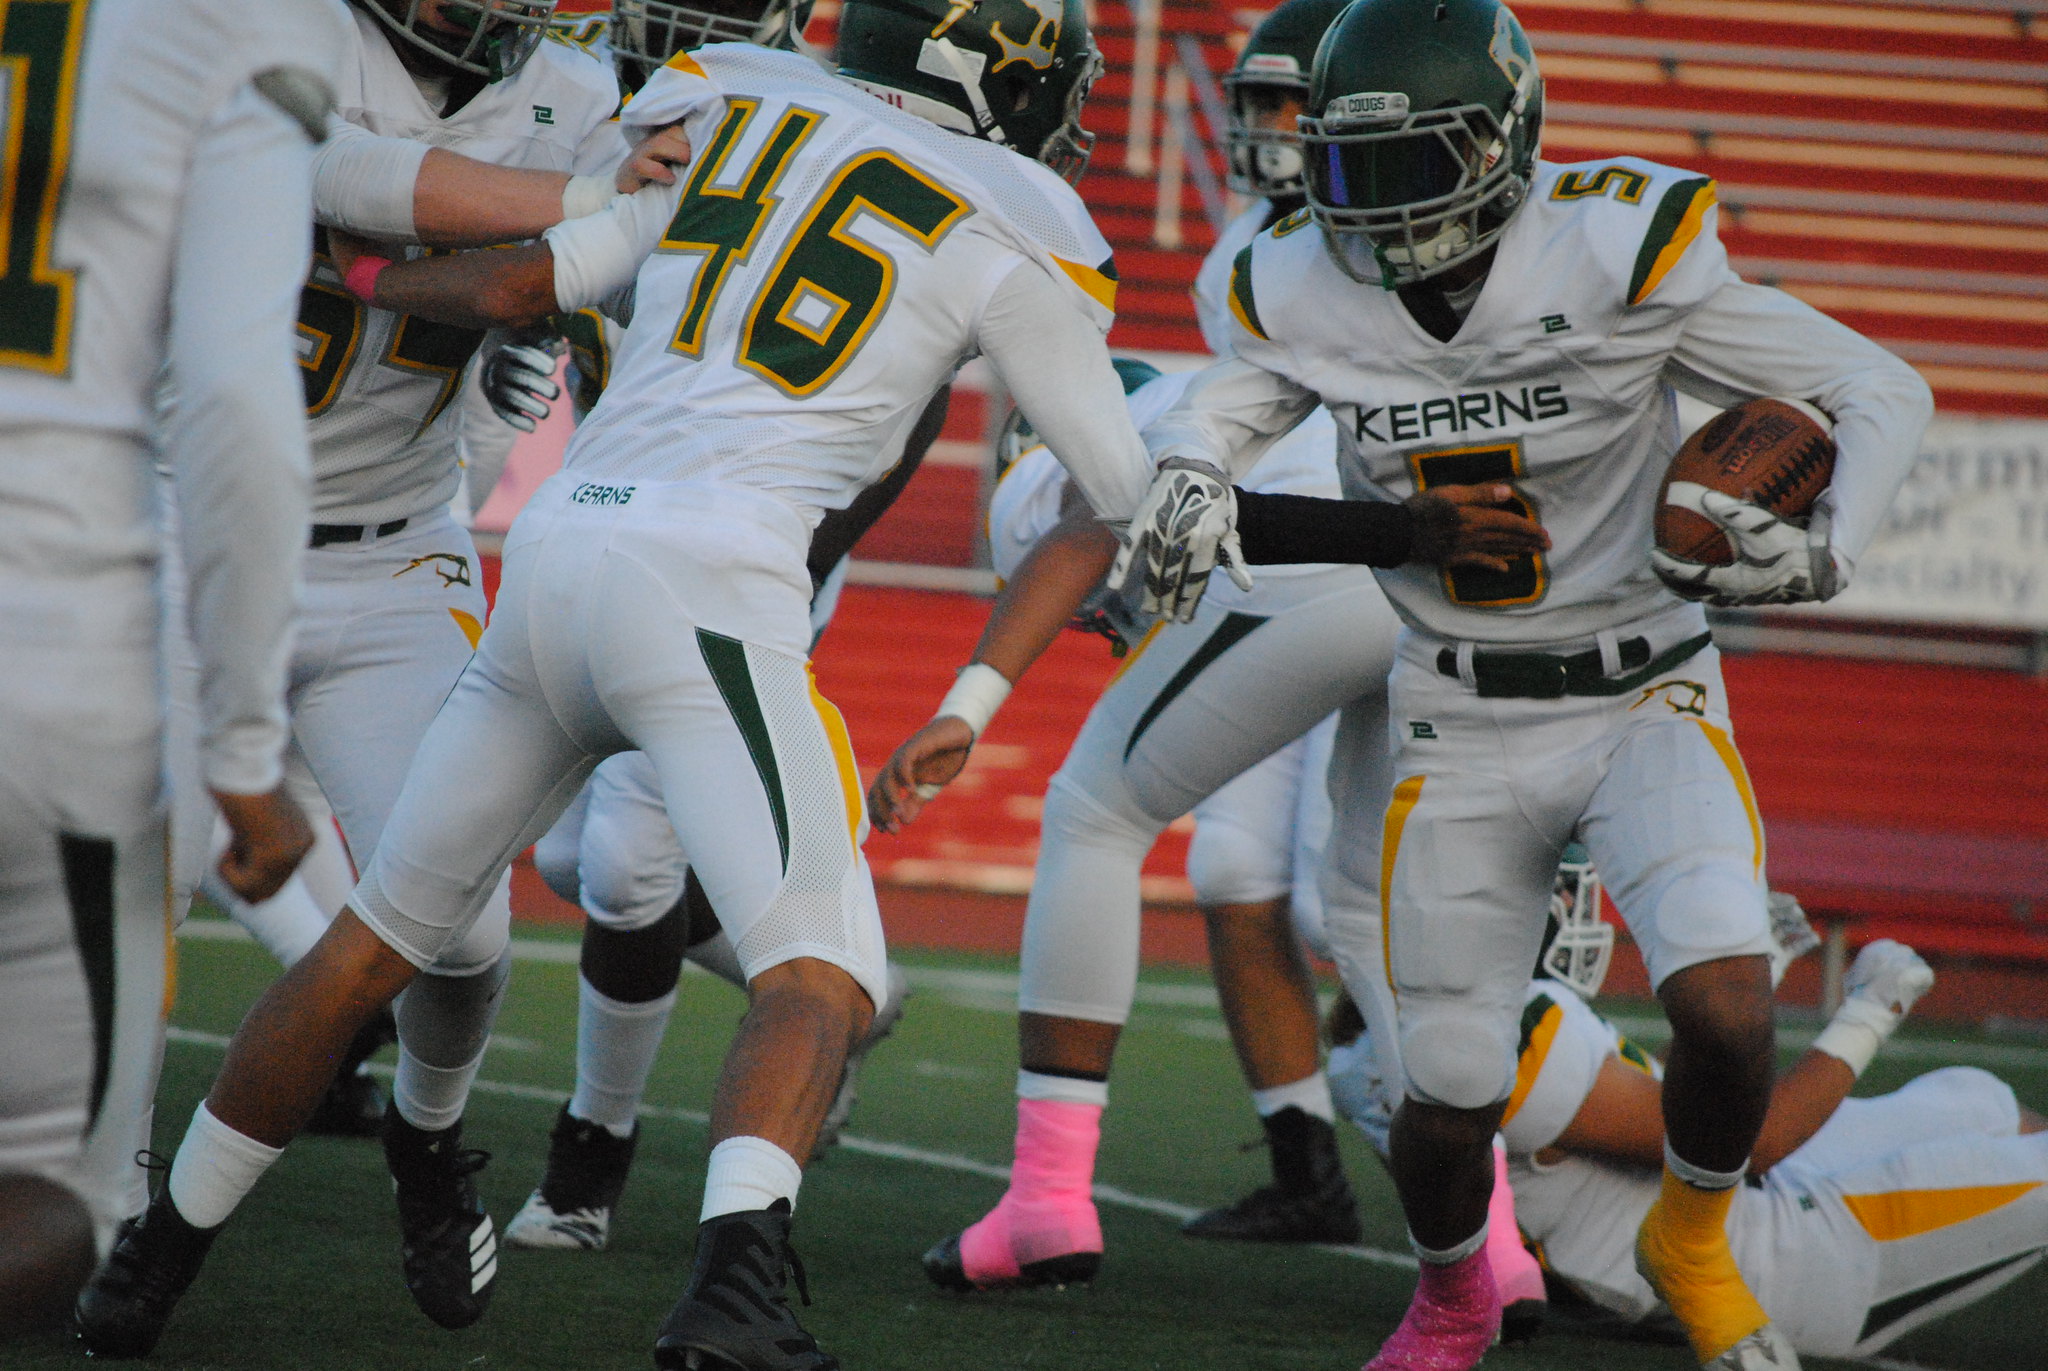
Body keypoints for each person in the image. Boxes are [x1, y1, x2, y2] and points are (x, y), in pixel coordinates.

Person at [70, 2, 1279, 1365]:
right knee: (822, 974)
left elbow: (526, 286)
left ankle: (153, 1263)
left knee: (371, 943)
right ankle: (733, 1291)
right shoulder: (1017, 210)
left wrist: (358, 283)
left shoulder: (739, 104)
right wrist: (1190, 511)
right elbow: (1117, 488)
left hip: (558, 550)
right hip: (710, 582)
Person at [1138, 1, 1934, 1366]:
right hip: (1455, 701)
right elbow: (1218, 415)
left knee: (1729, 1001)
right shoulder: (1290, 281)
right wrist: (1189, 461)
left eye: (1415, 161)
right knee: (1440, 1092)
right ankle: (1451, 1289)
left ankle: (1692, 1232)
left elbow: (1876, 383)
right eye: (1350, 163)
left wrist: (1829, 545)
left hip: (1646, 687)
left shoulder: (1617, 250)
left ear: (1506, 144)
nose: (1374, 203)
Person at [0, 0, 345, 1335]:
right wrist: (245, 751)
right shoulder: (251, 22)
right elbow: (237, 405)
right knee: (54, 1200)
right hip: (45, 632)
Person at [1331, 905, 2048, 1360]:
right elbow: (1751, 1138)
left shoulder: (1381, 1048)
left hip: (1742, 1207)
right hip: (1792, 1257)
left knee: (1978, 1098)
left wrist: (1750, 980)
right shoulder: (1516, 1038)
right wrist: (1870, 1011)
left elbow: (1652, 1109)